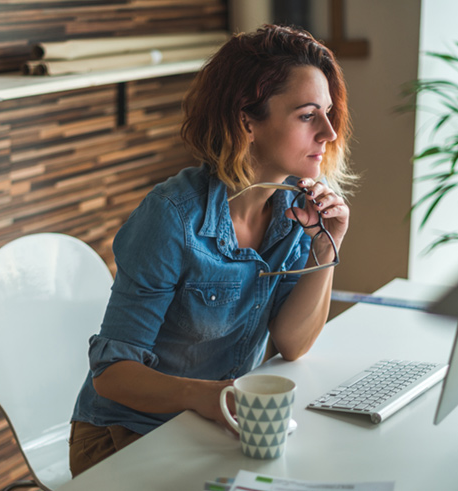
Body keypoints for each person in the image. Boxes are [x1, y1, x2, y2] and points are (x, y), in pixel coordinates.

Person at [69, 24, 356, 476]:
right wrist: (205, 395)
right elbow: (112, 375)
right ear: (247, 121)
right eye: (307, 115)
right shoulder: (171, 218)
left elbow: (294, 343)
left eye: (327, 113)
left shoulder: (292, 211)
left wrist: (327, 244)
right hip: (125, 438)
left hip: (211, 425)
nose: (328, 131)